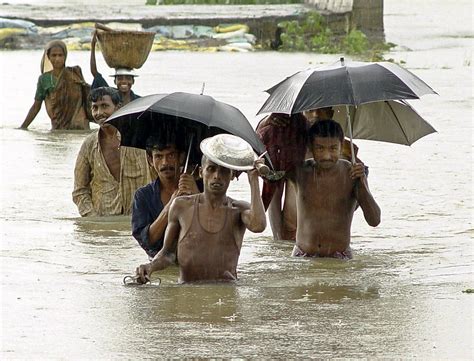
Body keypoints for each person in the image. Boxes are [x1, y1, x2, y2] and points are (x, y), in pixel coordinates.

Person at [134, 151, 267, 284]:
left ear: (232, 175)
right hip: (188, 291)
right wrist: (150, 267)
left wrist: (254, 181)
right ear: (200, 172)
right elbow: (168, 254)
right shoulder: (181, 206)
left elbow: (258, 225)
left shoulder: (238, 209)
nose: (217, 176)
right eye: (211, 169)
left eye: (224, 171)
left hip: (226, 290)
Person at [287, 119, 380, 259]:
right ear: (310, 148)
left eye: (333, 148)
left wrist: (362, 183)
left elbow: (375, 220)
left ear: (342, 147)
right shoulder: (300, 172)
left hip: (339, 257)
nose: (326, 156)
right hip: (303, 256)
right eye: (320, 148)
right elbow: (273, 171)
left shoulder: (352, 174)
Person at [72, 87, 152, 217]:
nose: (99, 113)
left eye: (104, 106)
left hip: (137, 218)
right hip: (103, 223)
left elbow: (159, 176)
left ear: (118, 107)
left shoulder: (138, 138)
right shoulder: (89, 145)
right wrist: (93, 218)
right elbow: (79, 191)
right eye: (95, 108)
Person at [132, 135, 200, 259]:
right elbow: (147, 241)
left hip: (195, 261)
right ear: (150, 160)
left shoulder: (201, 188)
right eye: (158, 156)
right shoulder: (143, 196)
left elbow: (216, 228)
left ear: (181, 157)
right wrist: (170, 206)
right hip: (160, 264)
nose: (165, 162)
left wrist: (197, 195)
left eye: (171, 155)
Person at [20, 40, 91, 130]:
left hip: (80, 125)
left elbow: (86, 97)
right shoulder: (44, 79)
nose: (57, 59)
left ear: (65, 56)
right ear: (48, 57)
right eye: (53, 55)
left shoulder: (75, 73)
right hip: (58, 126)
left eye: (60, 55)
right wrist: (23, 127)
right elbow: (36, 106)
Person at [90, 31, 140, 105]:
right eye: (119, 78)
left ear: (133, 81)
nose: (124, 81)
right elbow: (95, 72)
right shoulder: (110, 96)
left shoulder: (139, 101)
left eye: (128, 78)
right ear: (114, 81)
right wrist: (93, 46)